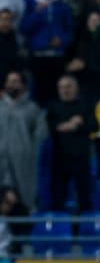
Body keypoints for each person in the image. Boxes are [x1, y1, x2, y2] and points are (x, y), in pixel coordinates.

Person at [46, 74, 96, 213]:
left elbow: (95, 125)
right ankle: (58, 229)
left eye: (68, 86)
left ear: (76, 88)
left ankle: (86, 230)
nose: (64, 90)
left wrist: (78, 125)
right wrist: (67, 125)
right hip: (59, 159)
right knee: (58, 197)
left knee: (84, 197)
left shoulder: (85, 105)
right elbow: (48, 127)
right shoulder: (53, 106)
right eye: (61, 87)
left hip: (81, 158)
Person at [0, 72, 49, 210]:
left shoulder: (33, 109)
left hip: (24, 163)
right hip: (1, 162)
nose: (12, 84)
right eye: (9, 81)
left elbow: (42, 134)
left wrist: (28, 150)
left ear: (23, 85)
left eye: (15, 81)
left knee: (24, 200)